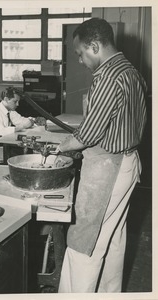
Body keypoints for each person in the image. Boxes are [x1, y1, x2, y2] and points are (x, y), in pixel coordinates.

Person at [57, 18, 147, 293]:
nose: (81, 61)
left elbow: (88, 135)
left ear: (94, 46)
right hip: (129, 162)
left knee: (84, 241)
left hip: (108, 169)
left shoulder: (107, 76)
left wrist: (60, 146)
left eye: (81, 54)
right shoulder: (131, 71)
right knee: (113, 239)